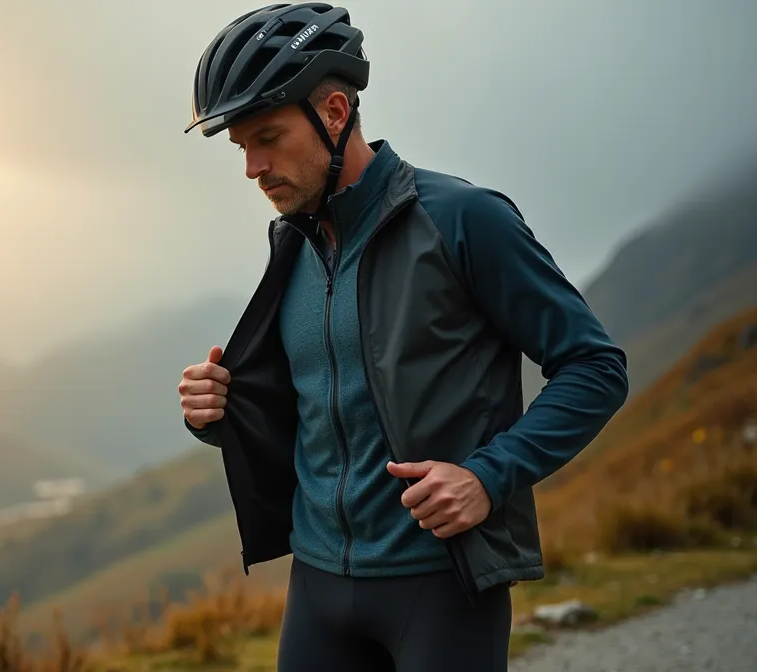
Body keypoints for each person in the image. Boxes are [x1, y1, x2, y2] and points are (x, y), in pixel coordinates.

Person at [176, 3, 629, 670]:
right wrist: (218, 413)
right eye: (242, 146)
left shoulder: (463, 220)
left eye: (268, 137)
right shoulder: (292, 242)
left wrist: (487, 477)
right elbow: (319, 401)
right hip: (318, 585)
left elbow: (595, 367)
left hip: (439, 586)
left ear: (335, 112)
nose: (252, 167)